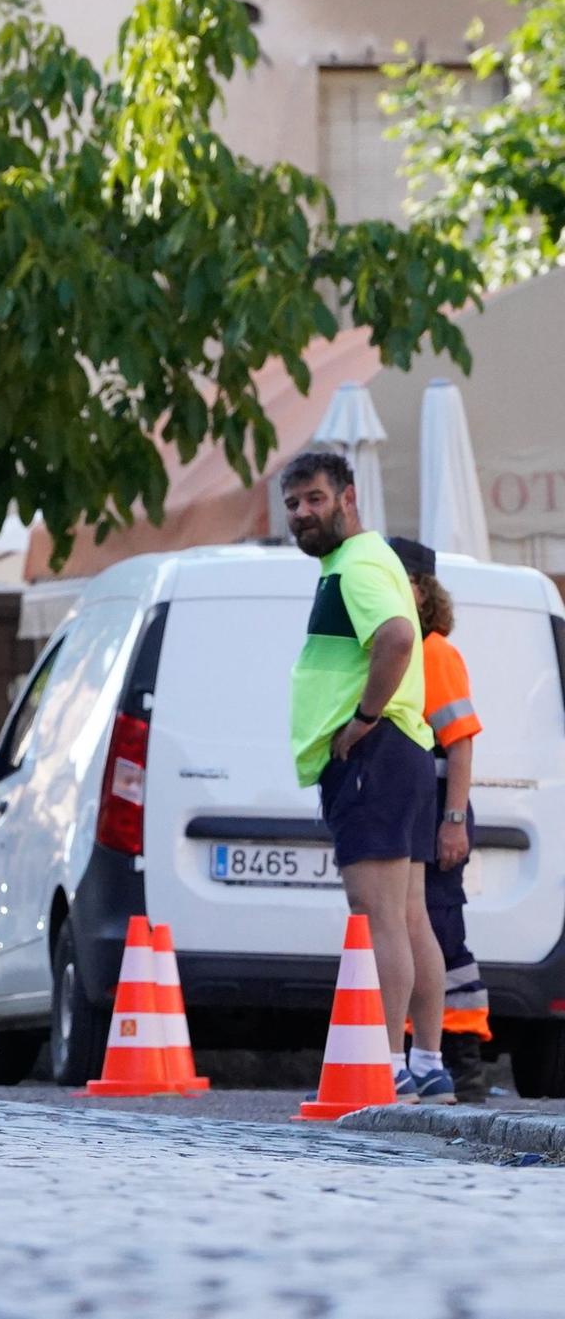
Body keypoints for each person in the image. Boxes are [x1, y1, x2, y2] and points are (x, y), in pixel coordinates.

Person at [282, 451, 454, 1103]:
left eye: (315, 499)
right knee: (408, 915)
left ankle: (386, 1065)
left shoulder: (354, 565)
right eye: (293, 503)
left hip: (374, 754)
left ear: (348, 497)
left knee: (377, 914)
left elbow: (395, 639)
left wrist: (360, 719)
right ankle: (428, 1060)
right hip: (403, 751)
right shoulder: (368, 561)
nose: (302, 513)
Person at [389, 537, 490, 1102]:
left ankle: (462, 1062)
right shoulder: (401, 649)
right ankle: (423, 1059)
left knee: (442, 931)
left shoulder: (432, 652)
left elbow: (460, 745)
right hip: (414, 806)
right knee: (413, 927)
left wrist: (453, 819)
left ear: (421, 591)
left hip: (435, 809)